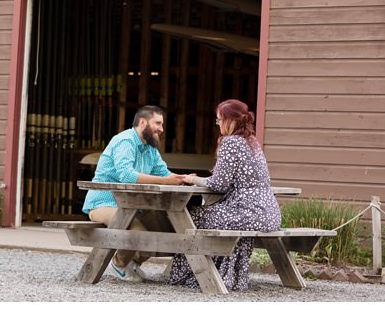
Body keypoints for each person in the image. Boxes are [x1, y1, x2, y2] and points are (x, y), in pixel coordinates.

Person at [168, 100, 280, 292]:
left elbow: (218, 184)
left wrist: (191, 179)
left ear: (230, 120)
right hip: (269, 214)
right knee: (213, 217)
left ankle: (191, 273)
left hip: (247, 212)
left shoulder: (231, 142)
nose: (218, 124)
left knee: (192, 216)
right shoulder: (252, 141)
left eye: (219, 120)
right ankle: (224, 272)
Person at [82, 105, 199, 281]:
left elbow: (164, 173)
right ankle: (119, 263)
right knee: (136, 231)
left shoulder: (150, 148)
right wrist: (167, 181)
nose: (161, 128)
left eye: (162, 124)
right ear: (143, 122)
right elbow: (127, 176)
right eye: (158, 123)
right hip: (103, 203)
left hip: (136, 206)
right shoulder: (125, 141)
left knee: (167, 229)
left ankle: (133, 262)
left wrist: (184, 178)